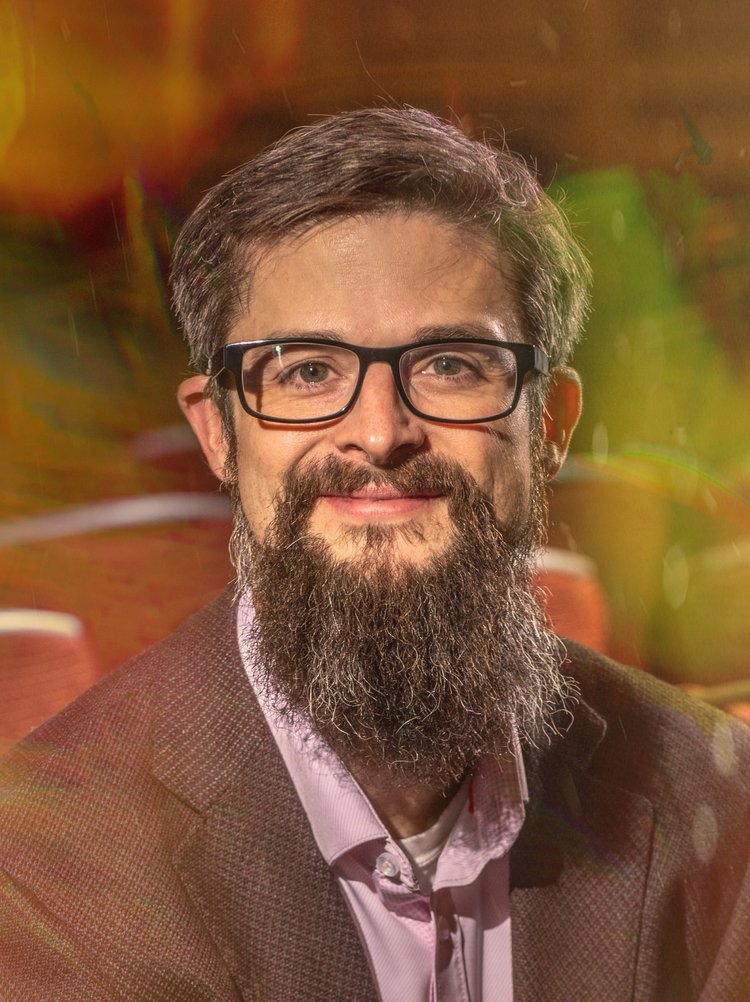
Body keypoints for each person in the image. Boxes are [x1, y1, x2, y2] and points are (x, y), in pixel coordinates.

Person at [1, 107, 748, 1002]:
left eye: (451, 365)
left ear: (549, 426)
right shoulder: (41, 868)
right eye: (307, 371)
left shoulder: (716, 795)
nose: (381, 432)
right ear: (219, 433)